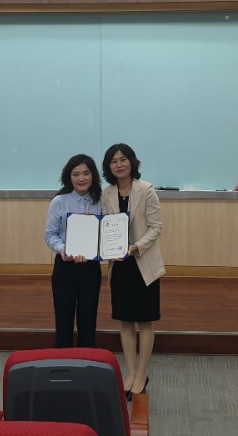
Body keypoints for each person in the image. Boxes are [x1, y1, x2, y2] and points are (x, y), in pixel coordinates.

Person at [101, 143, 164, 400]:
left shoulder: (146, 190)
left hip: (142, 262)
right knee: (125, 321)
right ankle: (131, 372)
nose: (119, 164)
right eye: (113, 161)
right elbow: (105, 227)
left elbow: (156, 227)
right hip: (120, 265)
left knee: (145, 321)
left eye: (123, 159)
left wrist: (136, 247)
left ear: (132, 162)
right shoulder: (106, 194)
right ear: (108, 167)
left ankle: (143, 373)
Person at [44, 153, 103, 348]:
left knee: (88, 321)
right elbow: (50, 235)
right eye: (76, 174)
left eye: (86, 173)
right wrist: (63, 249)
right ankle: (63, 361)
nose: (81, 178)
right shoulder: (59, 201)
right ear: (69, 177)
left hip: (91, 268)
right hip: (65, 268)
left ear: (93, 175)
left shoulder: (101, 201)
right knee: (63, 320)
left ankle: (87, 362)